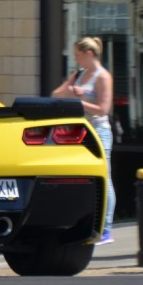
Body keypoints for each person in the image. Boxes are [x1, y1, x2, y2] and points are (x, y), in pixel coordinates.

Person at [52, 36, 115, 245]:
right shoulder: (79, 74)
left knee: (104, 178)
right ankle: (85, 225)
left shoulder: (102, 76)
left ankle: (105, 229)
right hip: (81, 130)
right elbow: (56, 94)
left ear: (89, 54)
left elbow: (104, 109)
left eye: (79, 55)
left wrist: (80, 99)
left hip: (99, 130)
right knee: (82, 177)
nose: (76, 59)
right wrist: (70, 88)